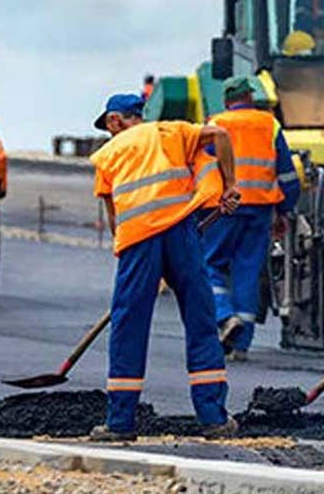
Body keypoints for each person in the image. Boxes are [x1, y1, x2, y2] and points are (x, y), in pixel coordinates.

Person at [87, 93, 243, 441]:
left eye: (109, 126)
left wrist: (134, 265)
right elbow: (219, 135)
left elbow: (114, 219)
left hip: (139, 241)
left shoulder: (108, 155)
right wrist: (230, 184)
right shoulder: (171, 131)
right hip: (181, 232)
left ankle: (120, 423)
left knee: (129, 325)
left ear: (115, 120)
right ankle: (214, 418)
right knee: (201, 319)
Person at [201, 76, 301, 361]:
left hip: (222, 208)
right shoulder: (270, 124)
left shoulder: (216, 123)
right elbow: (287, 176)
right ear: (251, 97)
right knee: (248, 271)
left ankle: (224, 315)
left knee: (208, 263)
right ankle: (241, 345)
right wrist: (284, 211)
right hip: (260, 209)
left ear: (227, 100)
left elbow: (203, 168)